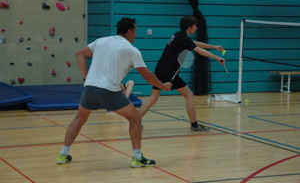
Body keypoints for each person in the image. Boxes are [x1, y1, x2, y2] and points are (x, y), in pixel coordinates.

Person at [56, 17, 172, 168]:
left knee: (79, 119)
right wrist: (162, 86)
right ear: (129, 31)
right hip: (108, 90)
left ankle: (63, 154)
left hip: (90, 88)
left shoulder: (101, 41)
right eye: (135, 31)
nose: (136, 34)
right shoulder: (131, 50)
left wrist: (86, 77)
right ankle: (137, 157)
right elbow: (147, 75)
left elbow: (80, 54)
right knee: (135, 118)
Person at [139, 15, 225, 132]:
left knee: (153, 99)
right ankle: (195, 126)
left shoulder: (178, 35)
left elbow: (194, 43)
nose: (196, 28)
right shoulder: (182, 38)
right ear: (188, 27)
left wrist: (213, 47)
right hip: (168, 72)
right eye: (194, 26)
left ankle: (136, 121)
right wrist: (216, 57)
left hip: (160, 69)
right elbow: (198, 50)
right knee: (189, 95)